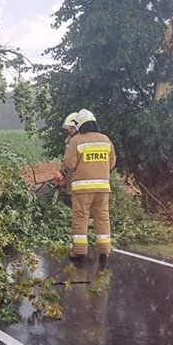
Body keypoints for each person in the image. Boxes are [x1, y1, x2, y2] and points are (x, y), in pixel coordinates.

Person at [52, 108, 116, 264]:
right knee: (102, 218)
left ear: (80, 125)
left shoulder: (77, 140)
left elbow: (69, 164)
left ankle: (80, 252)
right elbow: (112, 163)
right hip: (102, 188)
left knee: (81, 218)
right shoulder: (105, 140)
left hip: (82, 188)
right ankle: (104, 252)